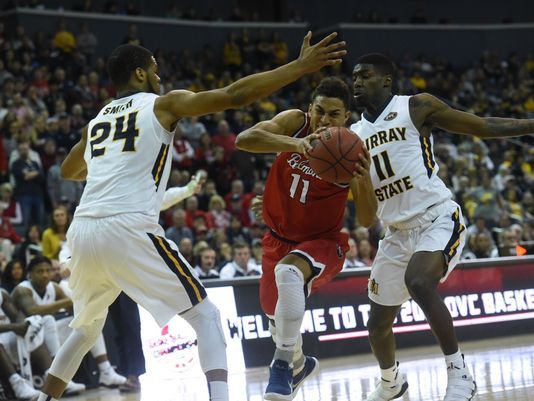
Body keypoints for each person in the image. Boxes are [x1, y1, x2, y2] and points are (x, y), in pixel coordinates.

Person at [36, 33, 346, 401]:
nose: (160, 76)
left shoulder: (98, 121)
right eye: (154, 69)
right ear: (139, 74)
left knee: (85, 328)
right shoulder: (161, 105)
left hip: (83, 230)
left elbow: (70, 171)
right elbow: (234, 96)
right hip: (127, 226)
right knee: (207, 318)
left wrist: (111, 163)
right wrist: (299, 67)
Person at [350, 53, 533, 401]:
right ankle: (391, 382)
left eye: (366, 75)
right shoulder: (352, 136)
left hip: (436, 216)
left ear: (387, 80)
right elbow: (364, 213)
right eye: (354, 77)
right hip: (395, 233)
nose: (356, 82)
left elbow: (481, 125)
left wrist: (529, 126)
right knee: (377, 327)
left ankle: (460, 373)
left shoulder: (416, 107)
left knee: (418, 281)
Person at [236, 76, 377, 400]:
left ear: (346, 119)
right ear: (309, 108)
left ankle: (282, 365)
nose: (323, 120)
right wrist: (294, 145)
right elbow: (245, 139)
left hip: (323, 243)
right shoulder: (296, 123)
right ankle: (300, 362)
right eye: (319, 111)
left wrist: (364, 180)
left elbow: (368, 219)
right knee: (276, 319)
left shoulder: (351, 149)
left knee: (289, 273)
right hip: (277, 240)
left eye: (333, 114)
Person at [11, 257, 126, 389]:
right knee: (49, 321)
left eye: (48, 271)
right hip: (21, 339)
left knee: (88, 323)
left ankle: (106, 370)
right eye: (40, 271)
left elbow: (72, 306)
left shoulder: (53, 287)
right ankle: (57, 377)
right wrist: (65, 302)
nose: (45, 275)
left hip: (46, 336)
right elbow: (33, 311)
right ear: (30, 274)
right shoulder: (23, 290)